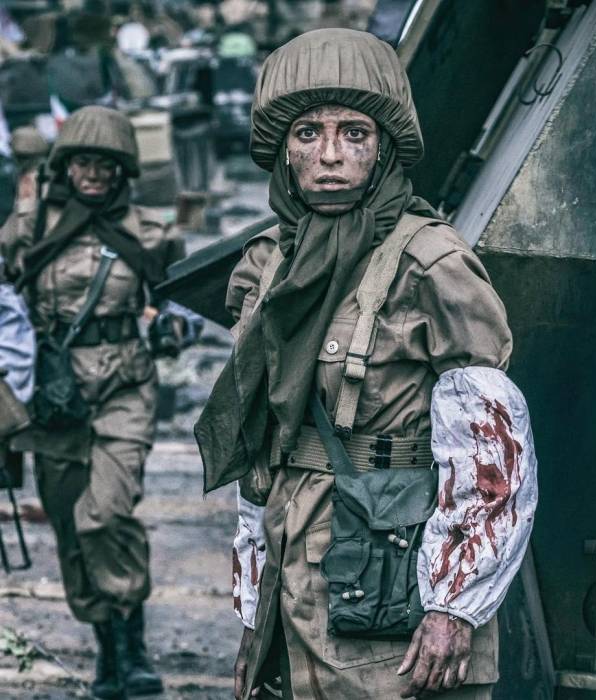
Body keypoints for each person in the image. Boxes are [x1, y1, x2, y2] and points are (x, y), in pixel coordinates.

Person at [195, 29, 538, 700]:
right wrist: (254, 615)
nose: (329, 156)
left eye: (354, 133)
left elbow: (493, 455)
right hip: (294, 576)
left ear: (384, 148)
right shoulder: (268, 265)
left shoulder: (432, 263)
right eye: (307, 134)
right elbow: (259, 448)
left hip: (392, 582)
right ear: (283, 151)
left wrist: (453, 608)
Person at [0, 105, 187, 699]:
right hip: (53, 397)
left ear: (123, 170)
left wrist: (174, 326)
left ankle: (133, 645)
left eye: (107, 165)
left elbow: (179, 295)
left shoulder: (149, 231)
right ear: (65, 165)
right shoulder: (30, 225)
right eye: (84, 162)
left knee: (105, 515)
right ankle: (107, 647)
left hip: (123, 388)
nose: (95, 175)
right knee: (70, 528)